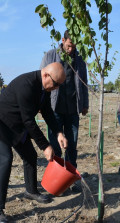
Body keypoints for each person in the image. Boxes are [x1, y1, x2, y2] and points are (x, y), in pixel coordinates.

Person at [0, 62, 68, 223]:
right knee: (5, 160)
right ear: (46, 75)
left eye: (59, 85)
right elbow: (29, 121)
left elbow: (47, 112)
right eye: (56, 84)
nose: (57, 88)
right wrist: (45, 145)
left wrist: (59, 133)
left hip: (16, 125)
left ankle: (30, 190)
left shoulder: (44, 88)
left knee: (30, 155)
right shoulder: (26, 85)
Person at [40, 30, 89, 192]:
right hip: (54, 108)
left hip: (73, 109)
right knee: (55, 145)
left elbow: (84, 82)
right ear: (63, 40)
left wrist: (85, 103)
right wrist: (41, 103)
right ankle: (56, 179)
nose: (71, 49)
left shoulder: (79, 59)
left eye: (74, 46)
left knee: (72, 144)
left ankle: (71, 179)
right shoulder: (51, 55)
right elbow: (43, 79)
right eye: (69, 45)